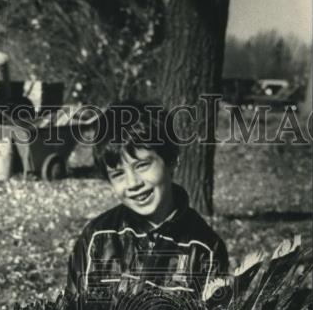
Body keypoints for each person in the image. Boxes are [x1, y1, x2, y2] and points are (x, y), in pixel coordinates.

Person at [67, 103, 228, 296]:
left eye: (142, 165)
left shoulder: (205, 248)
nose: (133, 183)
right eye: (118, 174)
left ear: (172, 160)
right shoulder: (96, 238)